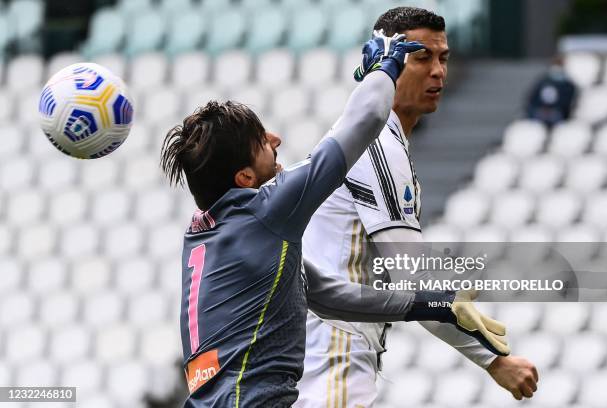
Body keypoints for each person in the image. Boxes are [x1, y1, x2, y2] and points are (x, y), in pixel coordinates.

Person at [161, 32, 509, 407]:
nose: (276, 139)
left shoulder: (209, 231)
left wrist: (430, 304)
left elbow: (326, 295)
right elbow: (369, 117)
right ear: (244, 178)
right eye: (261, 141)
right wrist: (385, 67)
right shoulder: (264, 211)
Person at [296, 7, 539, 408]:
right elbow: (413, 278)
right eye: (422, 57)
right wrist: (496, 361)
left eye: (443, 58)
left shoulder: (371, 138)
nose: (439, 71)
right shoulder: (376, 144)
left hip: (330, 348)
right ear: (386, 62)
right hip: (335, 350)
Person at [526, 55, 577, 127]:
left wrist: (552, 109)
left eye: (559, 65)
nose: (557, 68)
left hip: (557, 112)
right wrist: (542, 108)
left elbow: (567, 103)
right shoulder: (542, 81)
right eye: (555, 65)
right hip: (540, 111)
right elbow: (533, 98)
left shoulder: (568, 85)